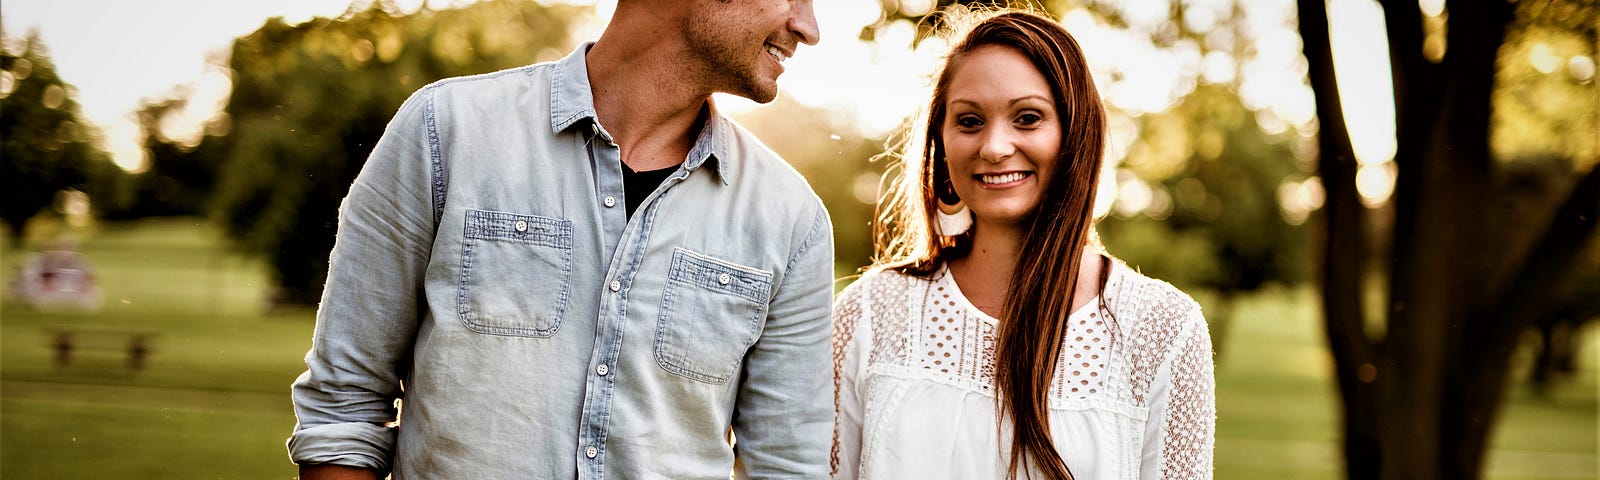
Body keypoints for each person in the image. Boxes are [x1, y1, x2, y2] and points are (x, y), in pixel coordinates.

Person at [288, 0, 835, 478]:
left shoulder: (792, 219)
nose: (809, 27)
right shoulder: (445, 132)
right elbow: (344, 408)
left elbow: (787, 466)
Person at [831, 9, 1215, 480]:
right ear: (942, 141)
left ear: (1075, 133)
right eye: (969, 121)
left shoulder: (1163, 330)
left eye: (1027, 118)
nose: (993, 146)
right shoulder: (870, 315)